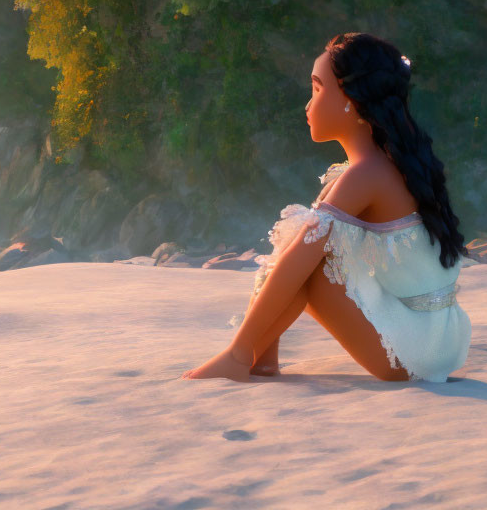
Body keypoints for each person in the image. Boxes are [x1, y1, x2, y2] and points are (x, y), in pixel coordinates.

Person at [182, 32, 471, 382]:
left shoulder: (366, 175)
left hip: (415, 348)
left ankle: (242, 355)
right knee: (306, 245)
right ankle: (259, 358)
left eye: (317, 90)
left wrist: (238, 348)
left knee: (307, 257)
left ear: (351, 100)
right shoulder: (387, 164)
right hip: (441, 335)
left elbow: (294, 259)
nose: (308, 104)